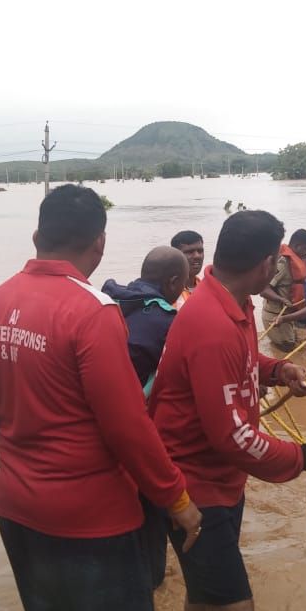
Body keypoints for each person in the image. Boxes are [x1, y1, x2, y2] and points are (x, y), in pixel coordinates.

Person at [0, 185, 201, 611]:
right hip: (93, 518)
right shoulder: (92, 312)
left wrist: (21, 440)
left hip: (17, 506)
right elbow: (128, 428)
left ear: (36, 235)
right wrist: (176, 498)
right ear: (99, 244)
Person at [150, 210, 306, 611]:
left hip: (218, 482)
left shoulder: (233, 302)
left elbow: (241, 360)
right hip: (196, 490)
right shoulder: (210, 323)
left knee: (203, 595)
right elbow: (232, 436)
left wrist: (277, 370)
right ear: (263, 265)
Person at [102, 245, 190, 589]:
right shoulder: (169, 322)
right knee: (149, 524)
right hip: (135, 441)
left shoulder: (109, 304)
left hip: (93, 438)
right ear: (172, 283)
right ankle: (151, 584)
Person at [101, 246, 189, 396]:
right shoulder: (167, 321)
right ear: (173, 282)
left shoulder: (109, 300)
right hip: (130, 400)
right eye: (183, 283)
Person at [260, 228, 306, 352]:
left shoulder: (298, 261)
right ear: (296, 245)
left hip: (288, 316)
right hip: (275, 317)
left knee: (299, 344)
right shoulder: (283, 263)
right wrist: (281, 299)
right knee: (288, 349)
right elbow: (263, 289)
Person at [171, 229, 205, 309]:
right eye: (190, 252)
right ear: (175, 255)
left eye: (200, 251)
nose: (197, 256)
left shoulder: (207, 286)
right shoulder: (169, 292)